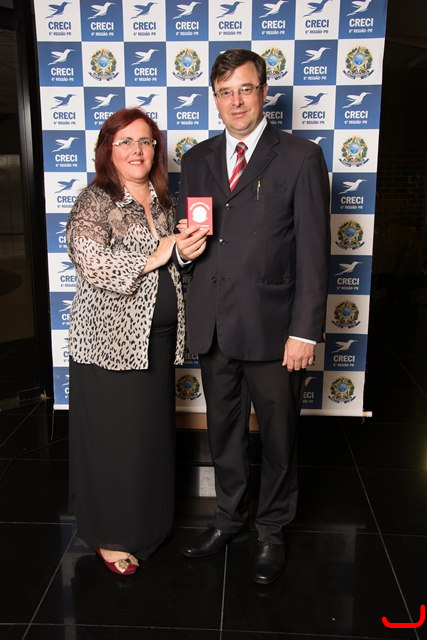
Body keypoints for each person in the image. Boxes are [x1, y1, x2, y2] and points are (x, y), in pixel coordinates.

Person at [175, 49, 330, 584]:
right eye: (225, 92)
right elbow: (193, 238)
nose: (236, 101)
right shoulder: (197, 159)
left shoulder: (301, 157)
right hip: (214, 325)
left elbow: (314, 253)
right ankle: (229, 518)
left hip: (275, 329)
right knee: (223, 432)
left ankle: (271, 529)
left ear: (264, 92)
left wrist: (304, 330)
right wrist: (183, 252)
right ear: (214, 99)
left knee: (280, 436)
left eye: (245, 88)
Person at [66, 108, 185, 575]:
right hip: (109, 344)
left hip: (157, 340)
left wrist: (183, 252)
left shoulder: (162, 199)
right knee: (116, 440)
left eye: (146, 141)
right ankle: (112, 534)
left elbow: (171, 261)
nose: (138, 150)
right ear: (108, 150)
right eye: (126, 142)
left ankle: (149, 524)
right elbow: (91, 261)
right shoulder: (96, 199)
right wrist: (157, 253)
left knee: (148, 438)